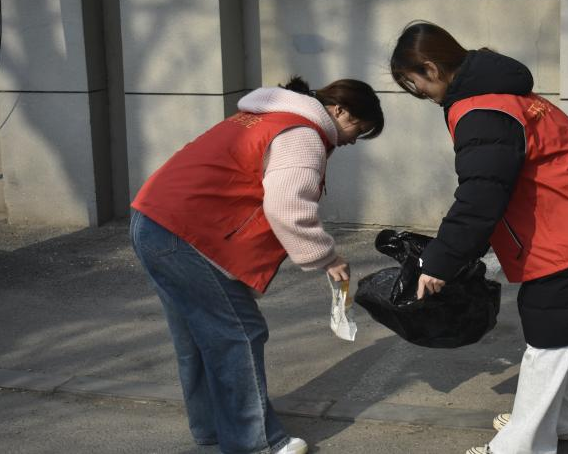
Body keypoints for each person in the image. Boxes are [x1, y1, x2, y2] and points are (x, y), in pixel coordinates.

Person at [390, 21, 568, 454]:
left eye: (412, 82)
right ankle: (558, 421)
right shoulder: (503, 94)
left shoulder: (482, 111)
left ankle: (520, 446)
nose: (417, 91)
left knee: (549, 340)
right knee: (556, 333)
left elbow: (480, 197)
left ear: (431, 68)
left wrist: (440, 263)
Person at [129, 76, 384, 454]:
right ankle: (255, 442)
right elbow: (286, 207)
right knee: (239, 333)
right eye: (357, 129)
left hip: (153, 221)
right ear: (339, 110)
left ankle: (215, 427)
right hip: (186, 236)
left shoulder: (264, 116)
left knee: (196, 336)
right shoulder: (302, 134)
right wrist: (326, 257)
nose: (352, 140)